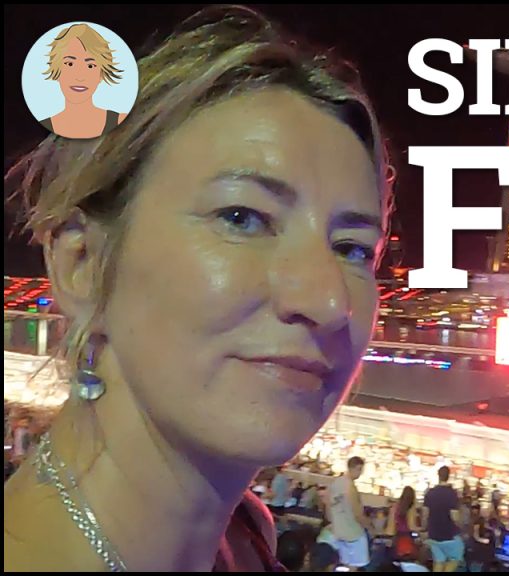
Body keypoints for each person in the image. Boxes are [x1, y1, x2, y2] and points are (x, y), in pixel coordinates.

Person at [4, 5, 392, 572]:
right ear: (82, 264)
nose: (329, 301)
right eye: (242, 218)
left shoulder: (245, 538)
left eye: (353, 249)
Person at [38, 23, 128, 139]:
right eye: (70, 64)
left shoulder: (120, 119)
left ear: (101, 74)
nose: (79, 76)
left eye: (90, 66)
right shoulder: (49, 125)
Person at [328, 457, 373, 570]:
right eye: (359, 469)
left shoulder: (336, 483)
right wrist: (370, 528)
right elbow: (358, 514)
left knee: (345, 566)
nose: (360, 473)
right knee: (354, 567)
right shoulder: (350, 488)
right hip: (354, 534)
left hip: (339, 532)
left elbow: (329, 504)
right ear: (353, 468)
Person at [423, 466, 464, 572]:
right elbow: (454, 516)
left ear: (438, 475)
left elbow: (425, 514)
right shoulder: (452, 493)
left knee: (439, 562)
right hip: (449, 535)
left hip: (433, 535)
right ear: (448, 476)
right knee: (454, 560)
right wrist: (461, 526)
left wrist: (425, 529)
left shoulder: (430, 493)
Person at [386, 486, 422, 563]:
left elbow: (390, 525)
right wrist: (421, 529)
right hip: (408, 538)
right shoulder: (411, 508)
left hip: (397, 537)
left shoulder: (395, 506)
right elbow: (411, 526)